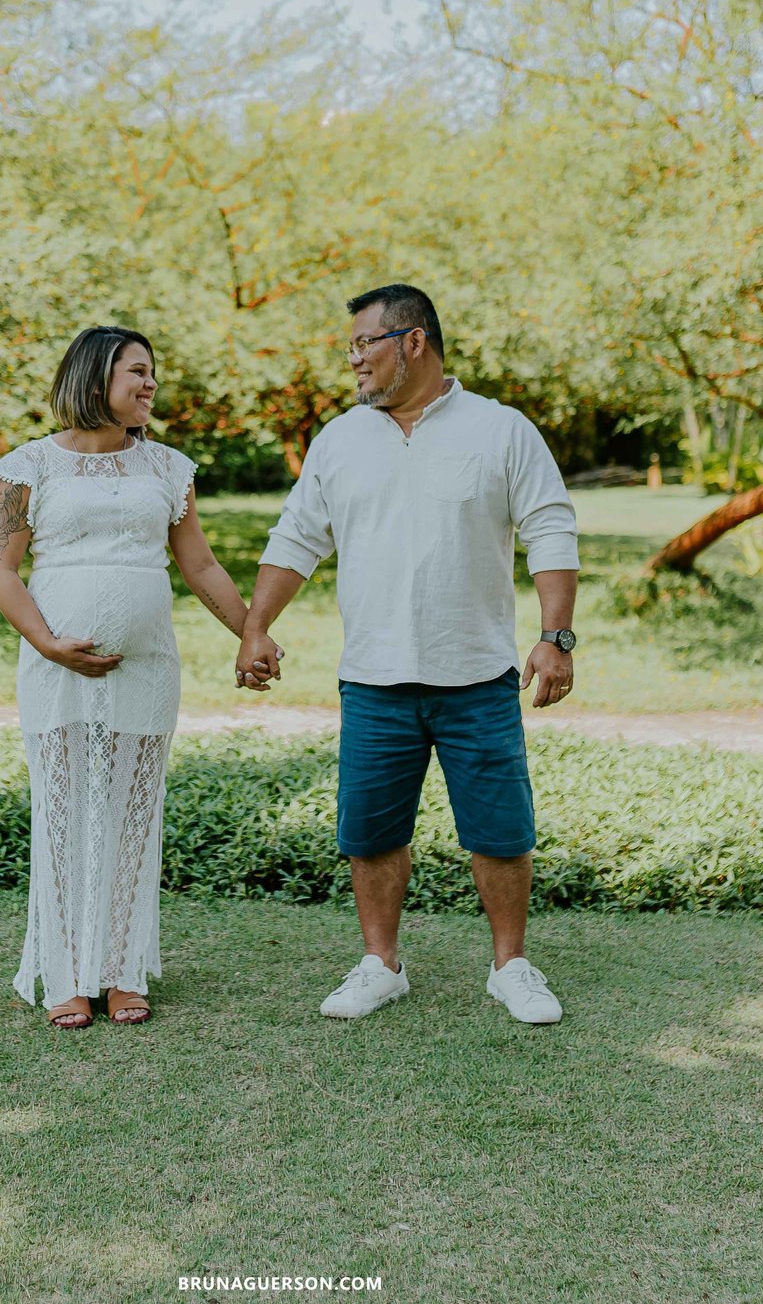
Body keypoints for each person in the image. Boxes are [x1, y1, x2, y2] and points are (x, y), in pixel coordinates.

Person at [234, 284, 579, 1025]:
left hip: (478, 675)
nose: (353, 360)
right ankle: (379, 965)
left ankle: (511, 967)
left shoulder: (501, 430)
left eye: (365, 344)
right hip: (374, 677)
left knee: (501, 829)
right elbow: (297, 538)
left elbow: (550, 529)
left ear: (412, 342)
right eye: (352, 347)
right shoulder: (340, 440)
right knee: (371, 828)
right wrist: (256, 626)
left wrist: (556, 637)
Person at [0, 324, 281, 1029]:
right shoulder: (27, 467)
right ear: (94, 380)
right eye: (138, 372)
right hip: (55, 668)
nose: (151, 385)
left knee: (132, 819)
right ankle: (63, 975)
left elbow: (199, 564)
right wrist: (50, 644)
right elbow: (0, 570)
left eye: (153, 374)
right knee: (62, 816)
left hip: (147, 670)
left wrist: (251, 632)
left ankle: (120, 971)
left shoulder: (168, 468)